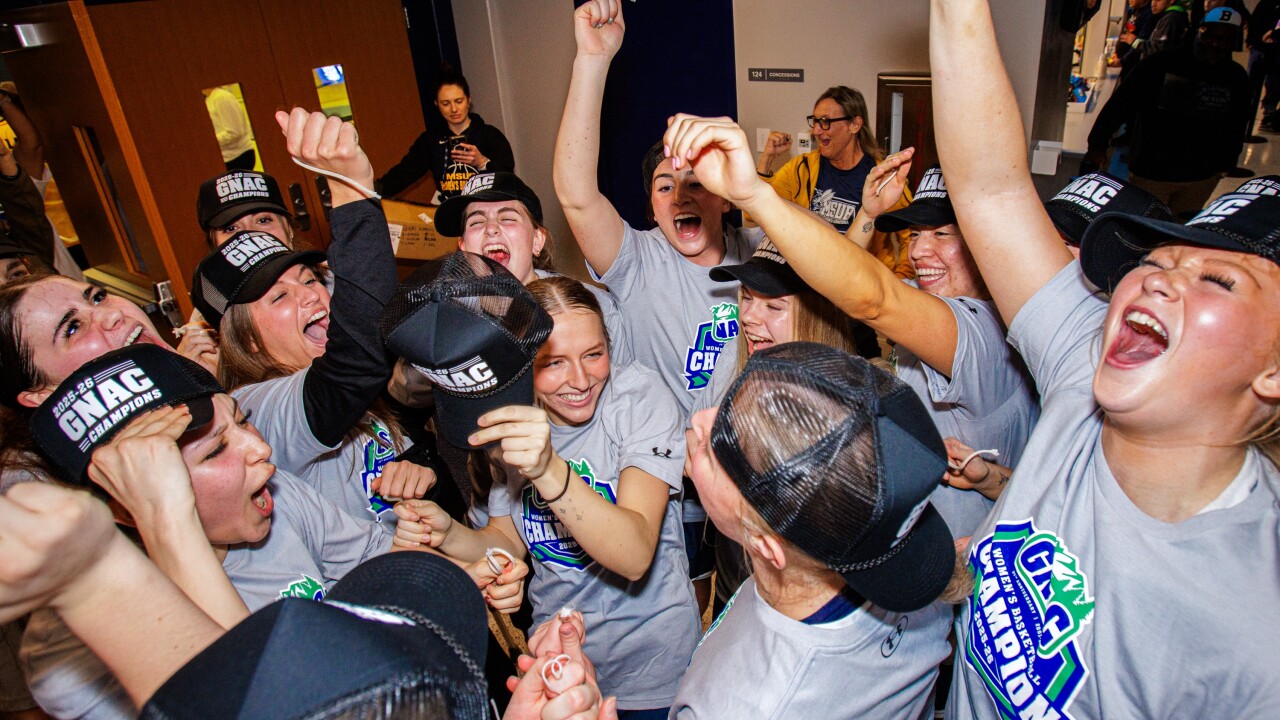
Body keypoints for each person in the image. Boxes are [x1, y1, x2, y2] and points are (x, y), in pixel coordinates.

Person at [926, 0, 1280, 716]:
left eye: (1216, 279)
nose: (1158, 278)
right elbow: (991, 189)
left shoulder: (1254, 628)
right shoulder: (1079, 367)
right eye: (1156, 260)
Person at [20, 345, 526, 719]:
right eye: (216, 450)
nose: (259, 450)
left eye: (243, 422)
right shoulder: (71, 645)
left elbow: (381, 568)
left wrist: (467, 572)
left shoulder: (279, 496)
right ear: (129, 506)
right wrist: (168, 523)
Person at [663, 128, 1039, 541]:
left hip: (961, 560)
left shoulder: (980, 331)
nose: (917, 252)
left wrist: (754, 193)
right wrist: (866, 216)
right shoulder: (924, 295)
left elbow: (874, 299)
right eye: (914, 235)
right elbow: (842, 283)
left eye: (941, 234)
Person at [392, 271, 700, 718]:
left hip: (653, 668)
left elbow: (634, 552)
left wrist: (548, 469)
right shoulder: (510, 420)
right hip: (557, 659)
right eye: (552, 363)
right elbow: (507, 540)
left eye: (594, 354)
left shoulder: (637, 397)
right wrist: (448, 533)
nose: (579, 379)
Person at [553, 0, 765, 603]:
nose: (680, 196)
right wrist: (593, 61)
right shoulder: (641, 259)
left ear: (725, 198)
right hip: (676, 486)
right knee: (696, 603)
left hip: (757, 475)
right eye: (665, 186)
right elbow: (574, 193)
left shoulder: (758, 250)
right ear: (650, 208)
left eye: (696, 183)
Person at [672, 343, 955, 719]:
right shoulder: (896, 560)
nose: (703, 419)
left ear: (767, 547)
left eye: (721, 448)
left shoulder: (736, 706)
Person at [191, 108, 436, 531]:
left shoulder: (316, 365)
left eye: (308, 279)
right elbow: (355, 365)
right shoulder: (252, 410)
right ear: (245, 340)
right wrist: (350, 189)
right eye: (280, 295)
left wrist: (420, 467)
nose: (310, 294)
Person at [1086, 7, 1252, 217]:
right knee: (1142, 229)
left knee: (1177, 235)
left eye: (1225, 39)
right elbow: (1121, 104)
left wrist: (1226, 163)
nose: (1215, 43)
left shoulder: (1236, 78)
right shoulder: (1161, 63)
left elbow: (1236, 124)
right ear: (1200, 31)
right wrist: (1097, 144)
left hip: (1200, 176)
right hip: (1152, 172)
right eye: (1210, 35)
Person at [755, 86, 913, 278]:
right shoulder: (802, 169)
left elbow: (911, 236)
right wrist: (767, 158)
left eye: (825, 122)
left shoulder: (883, 177)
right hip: (812, 284)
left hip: (864, 286)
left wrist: (899, 284)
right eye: (815, 122)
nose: (816, 130)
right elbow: (754, 211)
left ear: (855, 125)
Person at [377, 67, 515, 201]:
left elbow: (508, 177)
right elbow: (404, 173)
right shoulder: (430, 140)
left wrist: (482, 163)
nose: (454, 109)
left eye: (459, 101)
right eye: (445, 103)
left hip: (485, 208)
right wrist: (369, 191)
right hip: (449, 211)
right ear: (436, 104)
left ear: (468, 100)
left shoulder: (490, 135)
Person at [202, 85, 255, 171]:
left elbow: (234, 132)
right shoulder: (209, 99)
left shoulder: (221, 98)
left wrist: (209, 142)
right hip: (228, 158)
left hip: (237, 157)